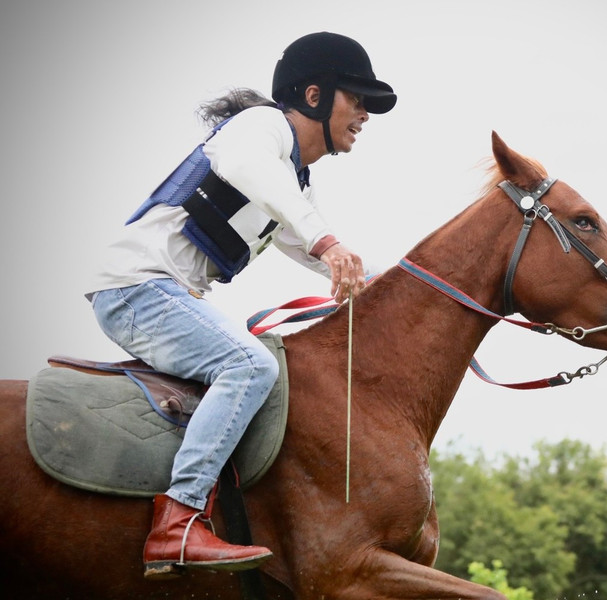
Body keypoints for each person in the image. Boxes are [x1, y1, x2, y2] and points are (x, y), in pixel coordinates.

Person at [86, 32, 396, 579]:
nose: (366, 115)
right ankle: (177, 522)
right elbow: (286, 205)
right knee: (247, 364)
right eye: (358, 99)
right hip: (136, 289)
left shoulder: (292, 178)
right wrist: (328, 243)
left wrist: (401, 286)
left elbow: (312, 243)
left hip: (156, 291)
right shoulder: (260, 129)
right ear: (316, 96)